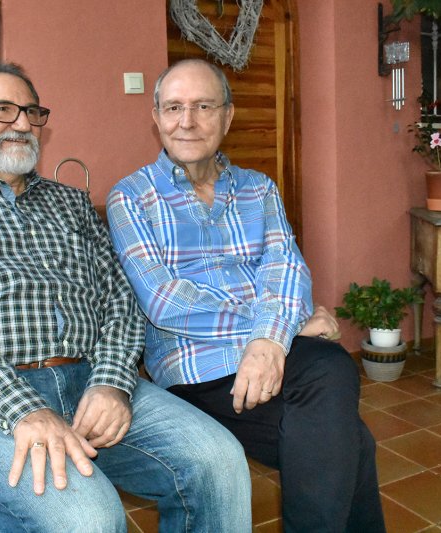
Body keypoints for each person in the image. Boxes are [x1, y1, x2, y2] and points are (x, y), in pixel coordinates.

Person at [0, 60, 252, 533]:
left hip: (86, 383)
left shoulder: (70, 203)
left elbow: (120, 300)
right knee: (89, 518)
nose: (21, 123)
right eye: (2, 110)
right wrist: (24, 409)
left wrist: (111, 382)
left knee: (218, 461)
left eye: (30, 112)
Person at [107, 58, 387, 532]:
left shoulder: (259, 189)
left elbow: (287, 270)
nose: (187, 120)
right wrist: (281, 328)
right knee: (341, 405)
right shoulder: (132, 197)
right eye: (173, 107)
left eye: (202, 106)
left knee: (339, 433)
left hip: (276, 354)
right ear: (155, 118)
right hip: (199, 366)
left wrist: (269, 339)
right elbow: (164, 300)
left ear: (228, 116)